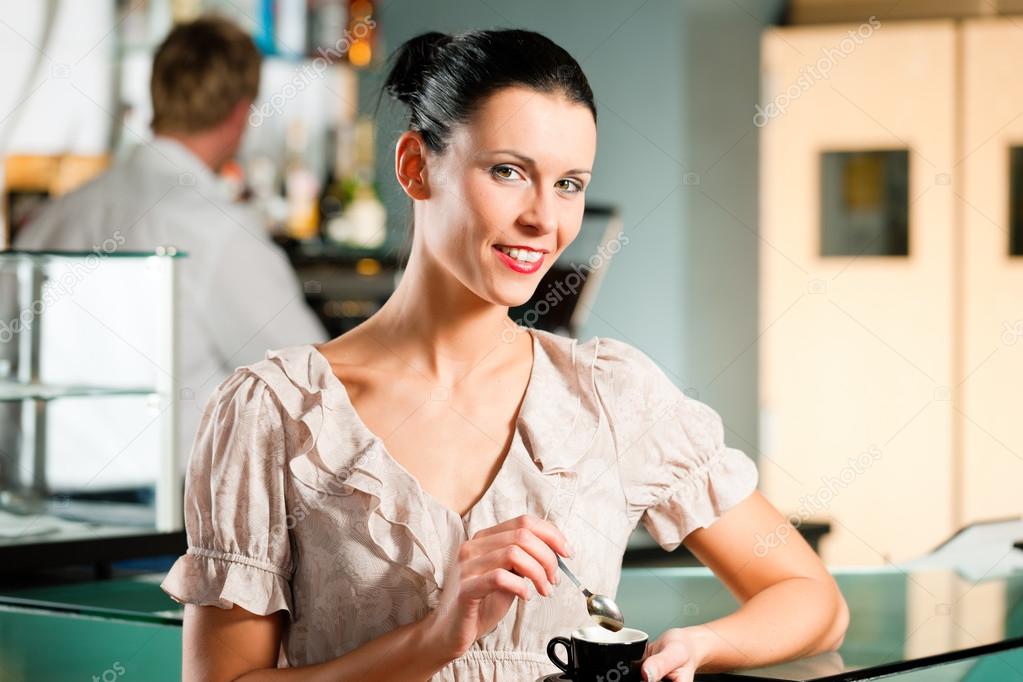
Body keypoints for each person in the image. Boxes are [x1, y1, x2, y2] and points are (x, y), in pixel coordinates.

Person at [159, 28, 849, 682]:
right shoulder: (275, 411)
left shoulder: (609, 393)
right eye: (509, 172)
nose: (544, 220)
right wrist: (431, 642)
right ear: (414, 167)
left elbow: (809, 596)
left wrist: (701, 645)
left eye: (569, 184)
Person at [11, 16, 327, 487]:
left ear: (157, 95)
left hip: (37, 518)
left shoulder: (53, 220)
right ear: (241, 113)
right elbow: (312, 378)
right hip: (168, 520)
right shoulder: (218, 229)